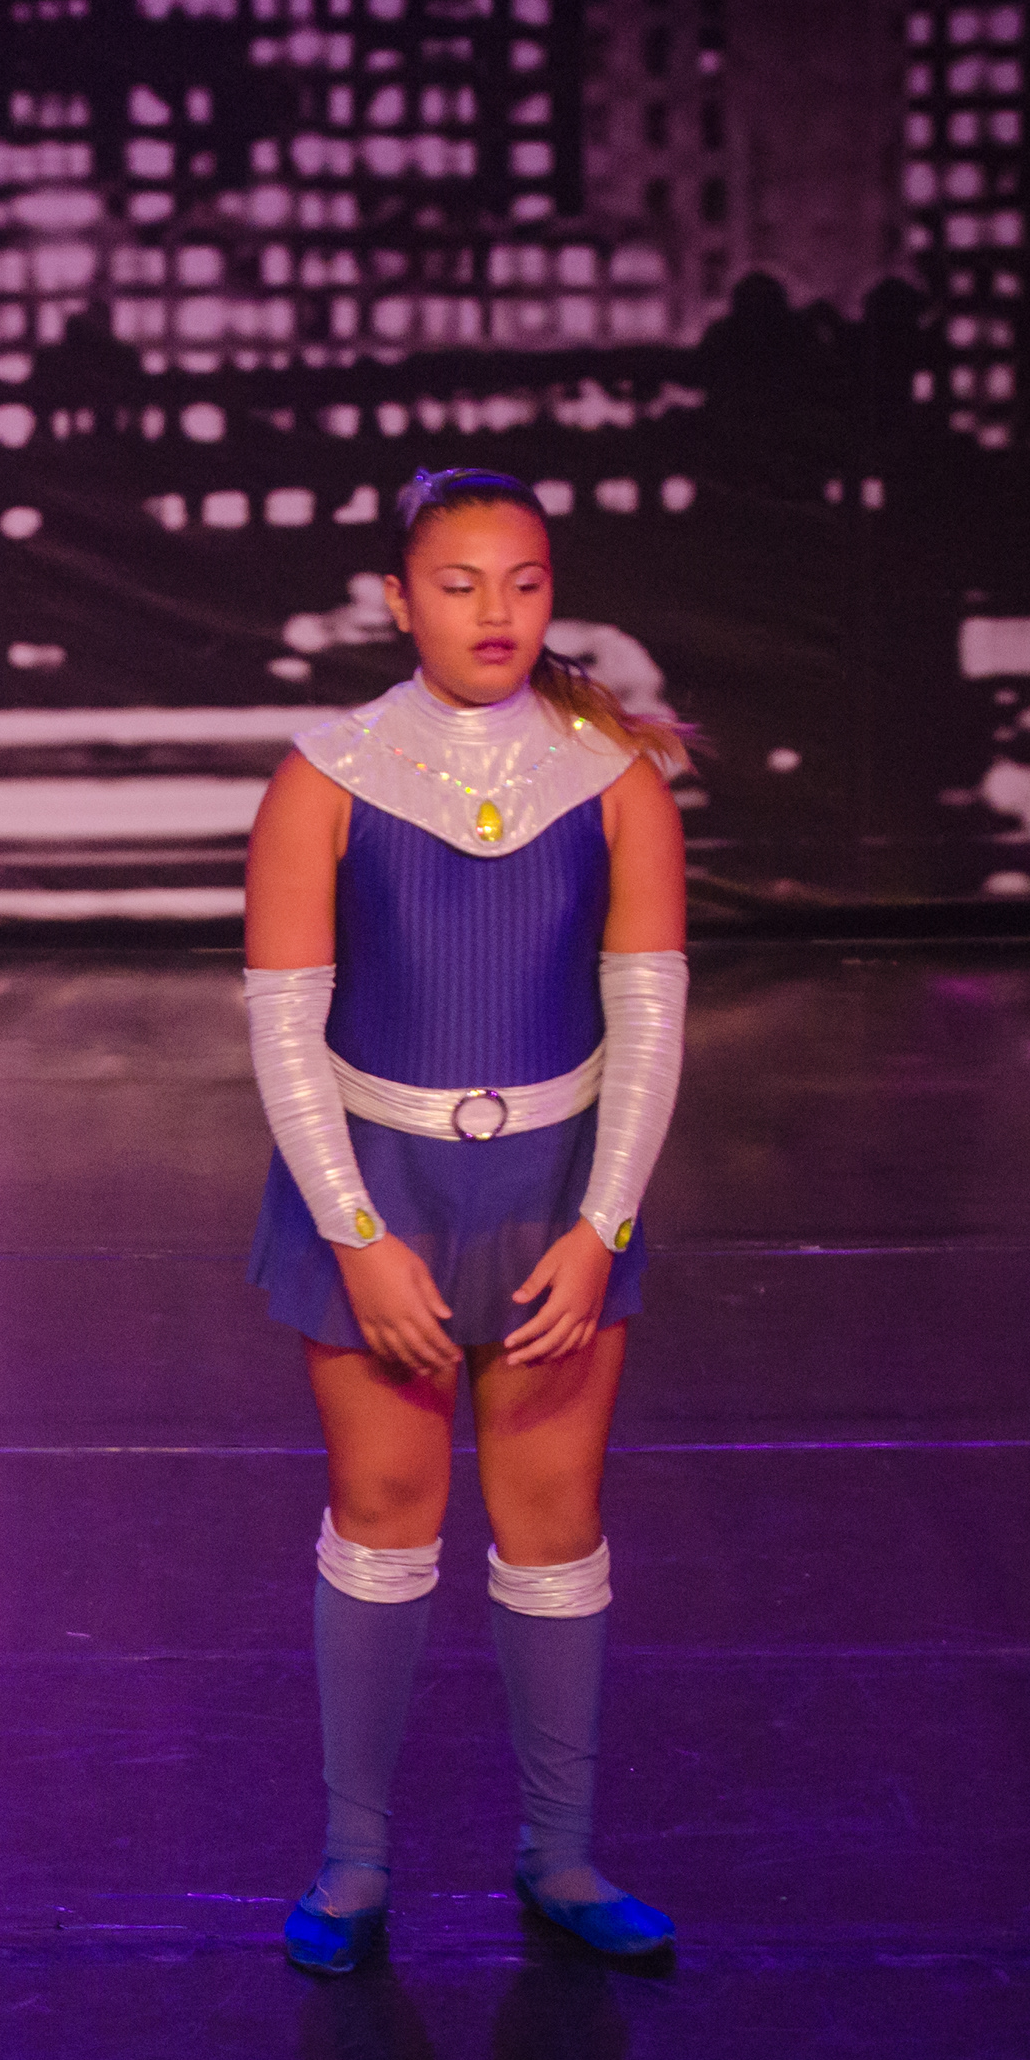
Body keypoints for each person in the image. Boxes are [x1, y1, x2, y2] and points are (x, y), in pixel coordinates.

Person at [240, 467, 695, 1976]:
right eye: (459, 582)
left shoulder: (614, 776)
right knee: (384, 1515)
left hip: (560, 1198)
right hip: (376, 1190)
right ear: (398, 598)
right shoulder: (326, 777)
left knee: (553, 1526)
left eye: (525, 580)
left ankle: (559, 1854)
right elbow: (285, 1026)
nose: (497, 611)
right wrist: (358, 1232)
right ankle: (354, 1858)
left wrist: (603, 1225)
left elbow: (649, 1019)